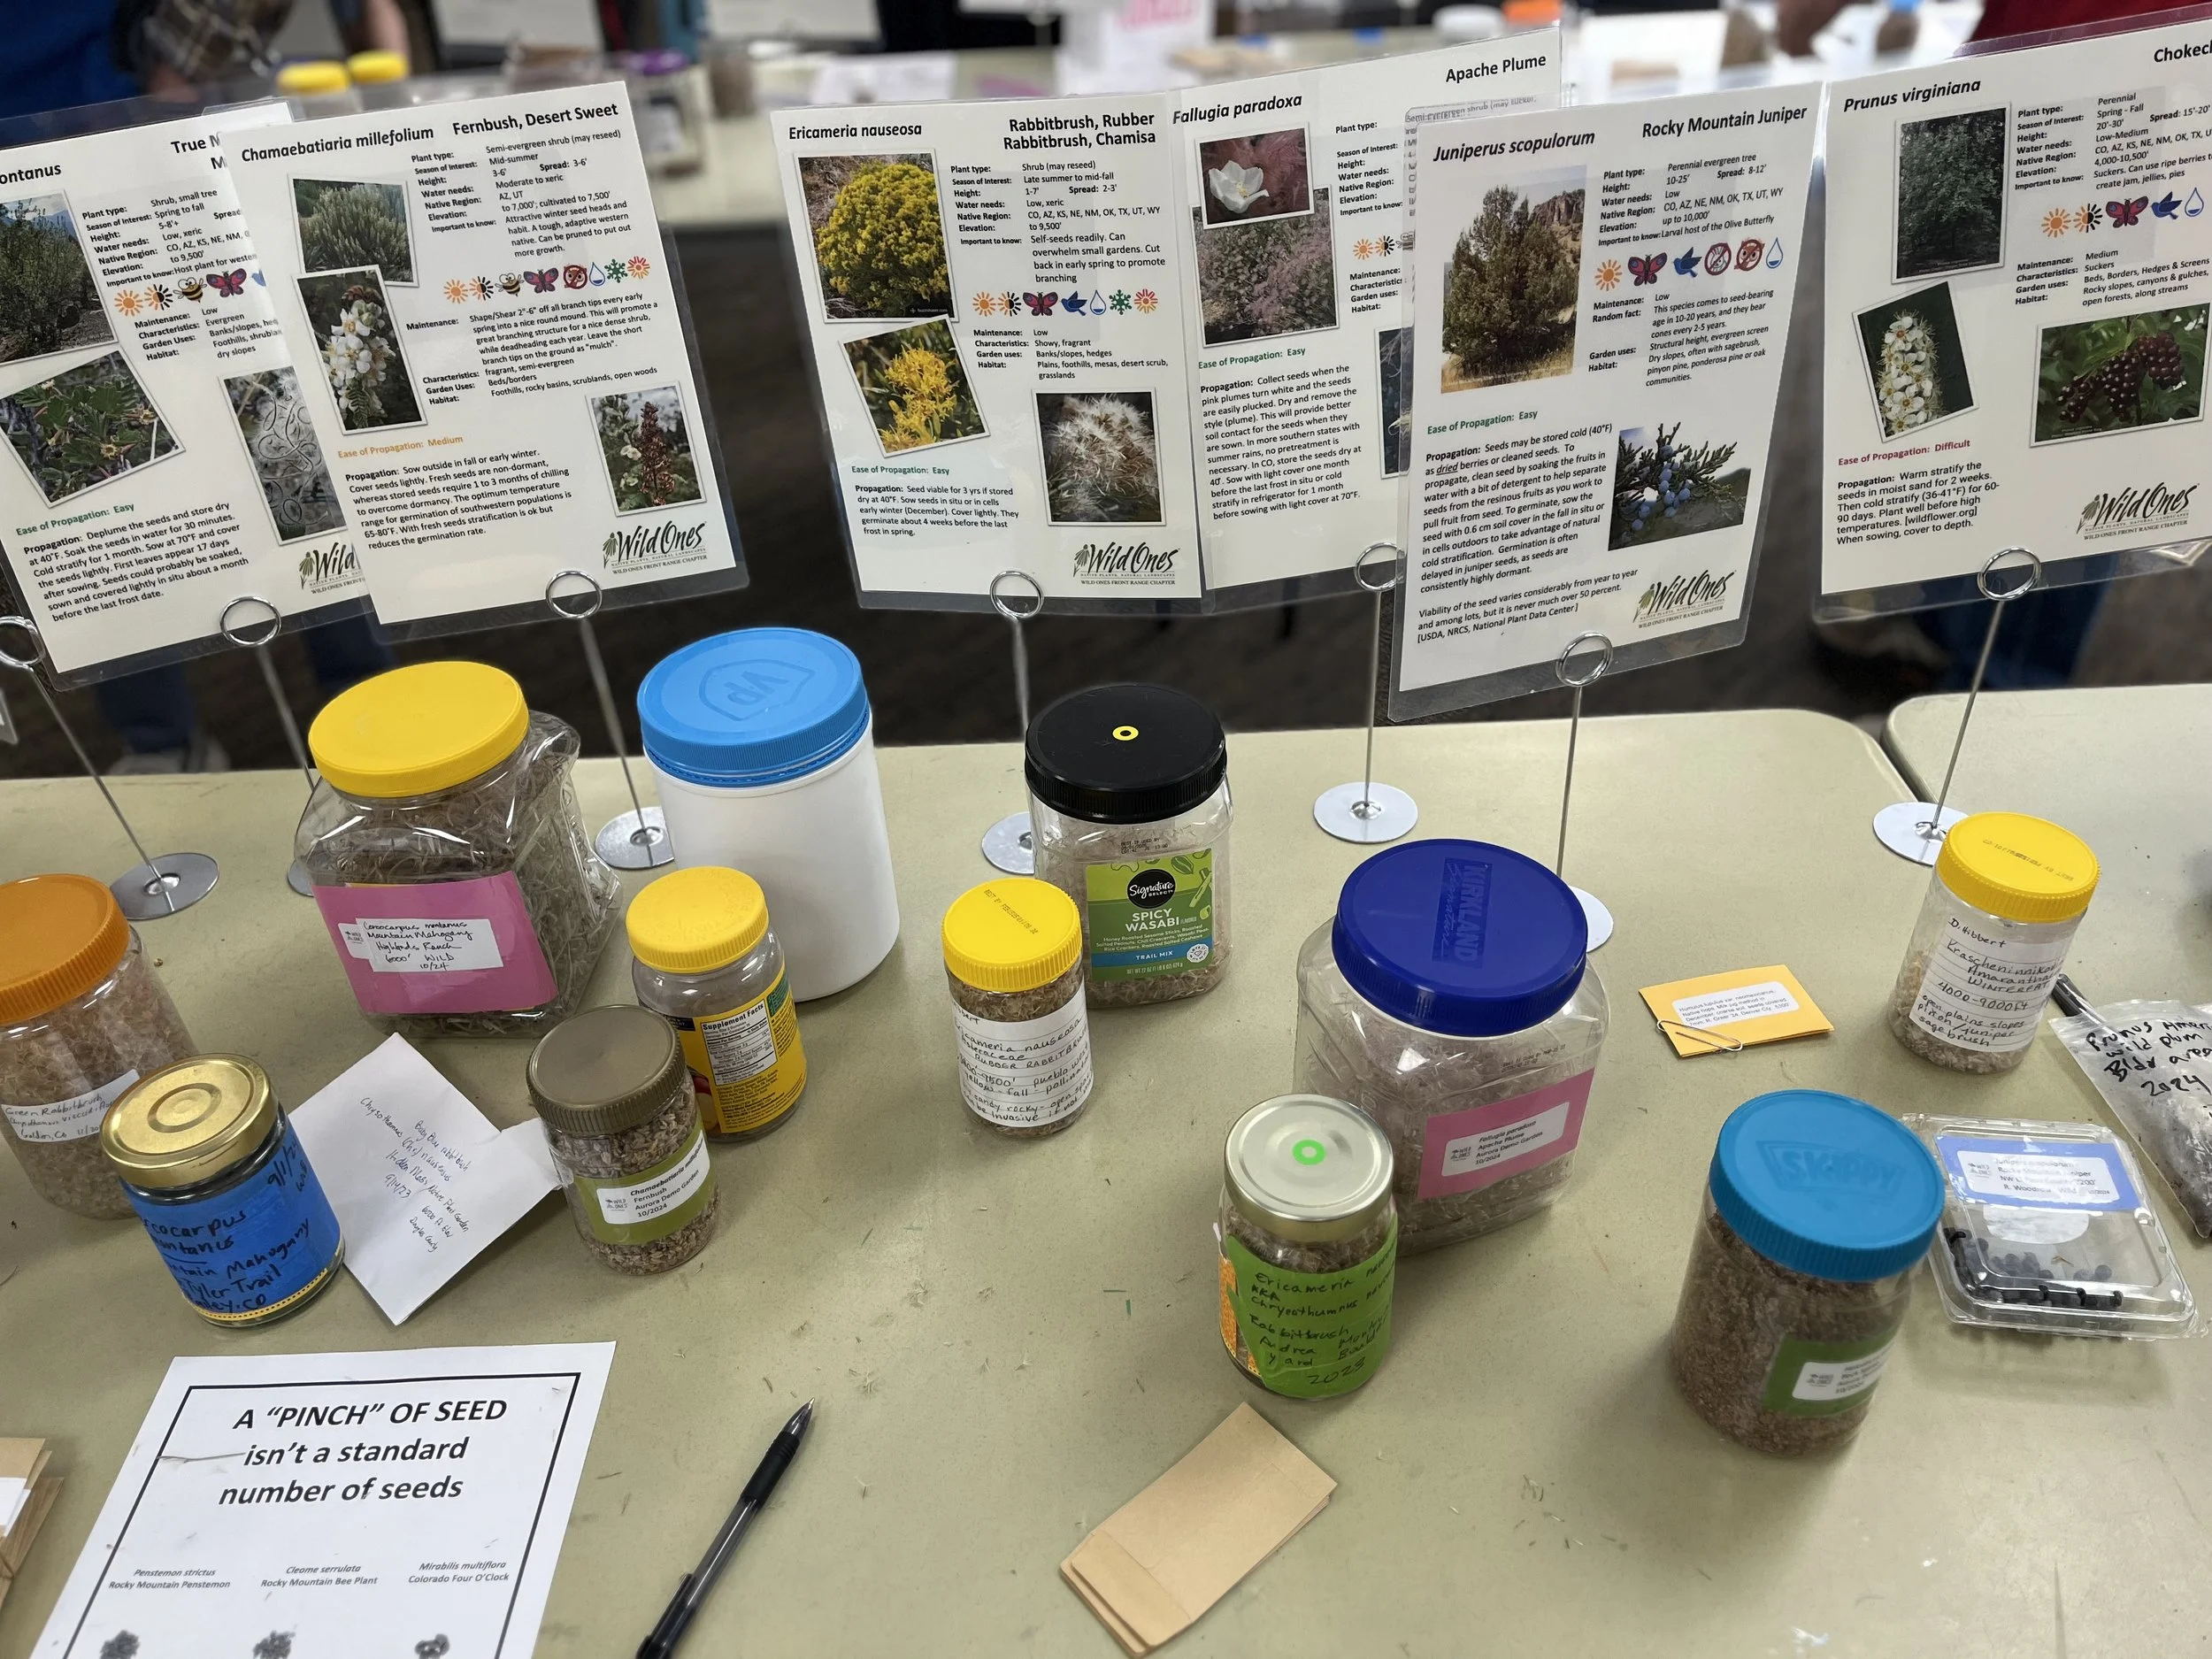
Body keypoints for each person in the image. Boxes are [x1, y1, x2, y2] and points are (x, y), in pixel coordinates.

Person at [2, 0, 410, 770]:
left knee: (277, 416)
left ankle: (363, 707)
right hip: (42, 147)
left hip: (127, 113)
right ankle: (160, 741)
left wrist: (181, 66)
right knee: (76, 464)